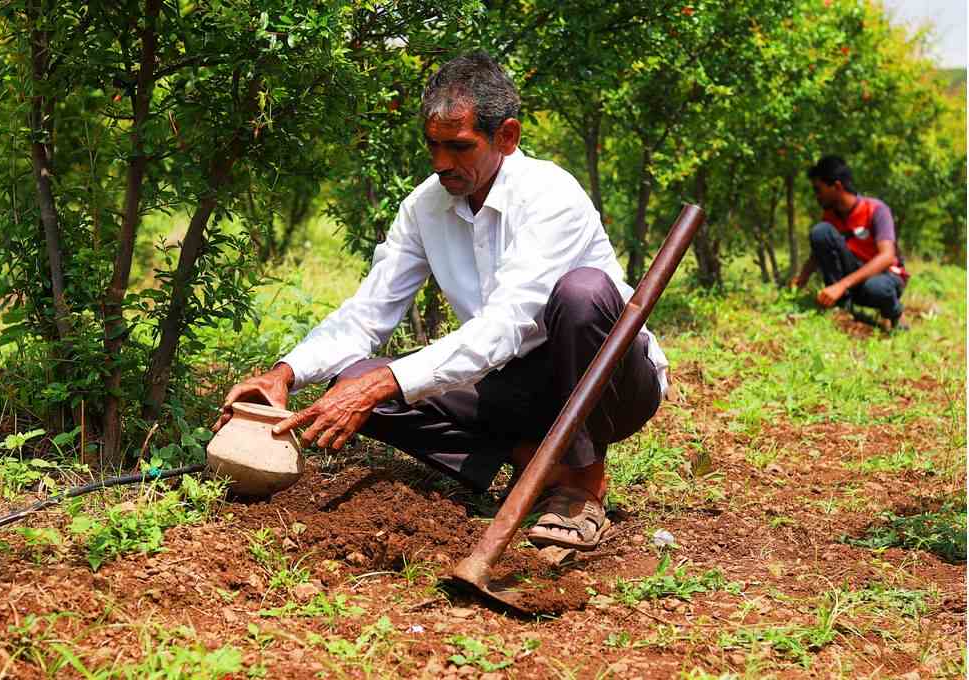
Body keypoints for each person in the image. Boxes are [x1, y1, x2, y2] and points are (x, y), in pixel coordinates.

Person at [214, 51, 668, 551]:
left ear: (507, 137)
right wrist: (285, 374)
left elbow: (504, 327)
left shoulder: (550, 195)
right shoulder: (425, 207)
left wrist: (384, 384)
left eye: (459, 147)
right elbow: (369, 312)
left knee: (583, 293)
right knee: (352, 381)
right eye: (432, 145)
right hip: (516, 385)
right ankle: (531, 457)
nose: (440, 163)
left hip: (610, 385)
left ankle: (581, 485)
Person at [791, 155, 909, 330]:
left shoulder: (876, 210)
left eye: (818, 189)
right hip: (854, 278)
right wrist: (802, 278)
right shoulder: (830, 217)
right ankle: (841, 308)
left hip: (885, 276)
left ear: (837, 186)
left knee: (877, 289)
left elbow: (887, 256)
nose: (817, 196)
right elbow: (818, 254)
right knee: (820, 231)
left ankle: (894, 313)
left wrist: (841, 285)